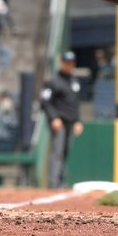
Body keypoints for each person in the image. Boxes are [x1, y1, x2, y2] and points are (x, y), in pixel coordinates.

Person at [40, 51, 83, 189]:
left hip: (71, 121)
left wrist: (78, 120)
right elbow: (45, 102)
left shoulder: (74, 81)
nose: (69, 65)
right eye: (67, 62)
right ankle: (54, 183)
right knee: (57, 151)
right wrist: (54, 118)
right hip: (59, 121)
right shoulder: (53, 81)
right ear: (62, 63)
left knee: (65, 151)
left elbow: (75, 103)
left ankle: (60, 181)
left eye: (71, 62)